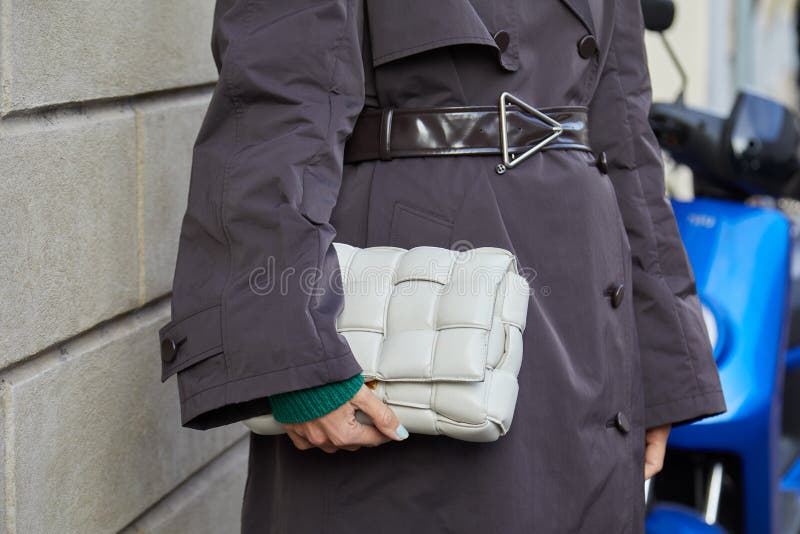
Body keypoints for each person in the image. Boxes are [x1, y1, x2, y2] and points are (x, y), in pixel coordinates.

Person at [157, 0, 727, 532]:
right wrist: (293, 351)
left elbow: (624, 130)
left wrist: (660, 364)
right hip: (423, 317)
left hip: (588, 320)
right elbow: (273, 105)